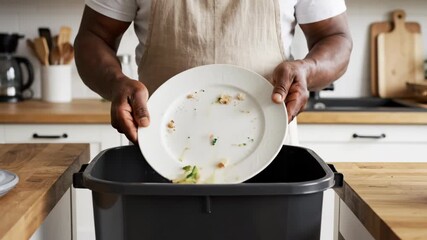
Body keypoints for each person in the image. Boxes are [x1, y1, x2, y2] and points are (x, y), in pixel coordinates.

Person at [74, 0, 352, 145]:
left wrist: (308, 69)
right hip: (158, 149)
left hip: (268, 148)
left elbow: (336, 37)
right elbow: (94, 36)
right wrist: (116, 83)